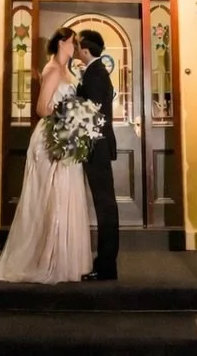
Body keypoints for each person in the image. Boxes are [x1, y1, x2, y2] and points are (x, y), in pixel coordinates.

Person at [0, 27, 92, 283]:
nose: (74, 46)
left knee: (66, 192)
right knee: (52, 193)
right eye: (71, 42)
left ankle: (62, 257)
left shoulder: (68, 70)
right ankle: (46, 258)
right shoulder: (54, 70)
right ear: (61, 44)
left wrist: (77, 117)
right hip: (51, 136)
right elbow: (42, 108)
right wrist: (67, 113)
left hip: (67, 135)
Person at [74, 29, 119, 281]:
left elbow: (91, 112)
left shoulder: (96, 74)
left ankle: (106, 266)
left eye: (78, 46)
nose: (76, 50)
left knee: (105, 206)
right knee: (105, 204)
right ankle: (105, 264)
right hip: (97, 145)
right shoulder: (94, 71)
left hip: (96, 145)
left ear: (86, 50)